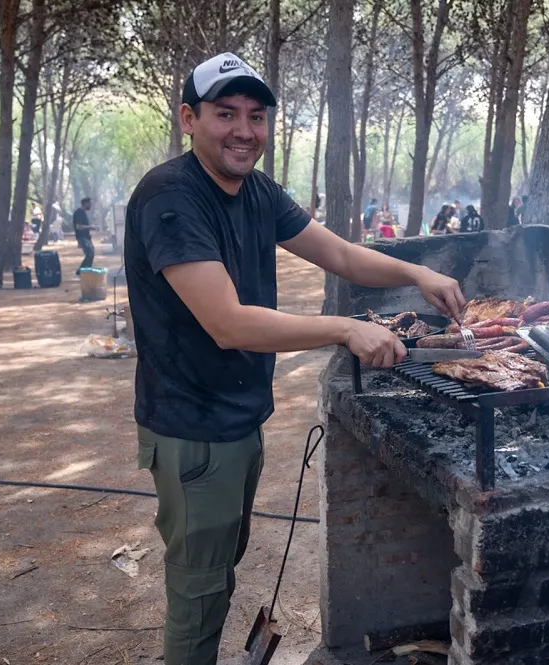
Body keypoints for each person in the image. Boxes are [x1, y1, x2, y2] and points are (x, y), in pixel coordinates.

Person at [123, 52, 464, 665]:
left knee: (217, 576)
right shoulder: (171, 198)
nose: (244, 130)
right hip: (192, 429)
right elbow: (227, 324)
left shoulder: (257, 191)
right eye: (225, 114)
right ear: (188, 118)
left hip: (236, 420)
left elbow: (343, 256)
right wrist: (345, 329)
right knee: (198, 597)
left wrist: (417, 271)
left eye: (256, 116)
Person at [73, 197, 95, 275]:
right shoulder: (79, 212)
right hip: (82, 237)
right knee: (90, 254)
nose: (91, 205)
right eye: (90, 204)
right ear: (85, 203)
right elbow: (78, 227)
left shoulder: (82, 212)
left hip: (86, 237)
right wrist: (90, 227)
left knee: (91, 253)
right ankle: (81, 272)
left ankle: (85, 272)